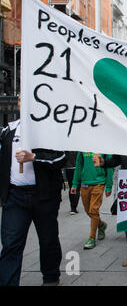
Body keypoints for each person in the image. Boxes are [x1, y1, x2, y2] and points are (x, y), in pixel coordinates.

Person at [0, 99, 66, 286]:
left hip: (44, 196)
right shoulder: (9, 130)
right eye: (20, 98)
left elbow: (61, 158)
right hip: (15, 197)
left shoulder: (48, 129)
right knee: (11, 243)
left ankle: (51, 277)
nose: (23, 101)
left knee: (48, 240)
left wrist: (34, 157)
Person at [71, 152, 113, 250]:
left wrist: (109, 186)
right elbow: (79, 165)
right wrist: (74, 184)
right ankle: (101, 225)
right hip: (85, 184)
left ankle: (91, 238)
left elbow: (110, 166)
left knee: (93, 210)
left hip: (99, 183)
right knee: (88, 211)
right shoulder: (82, 147)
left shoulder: (105, 146)